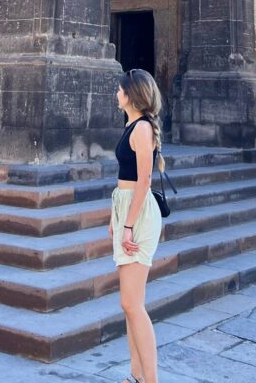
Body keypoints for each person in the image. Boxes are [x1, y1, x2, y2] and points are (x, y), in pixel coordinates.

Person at [110, 67, 165, 383]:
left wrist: (128, 224)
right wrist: (115, 219)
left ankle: (150, 380)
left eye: (120, 90)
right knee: (130, 305)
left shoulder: (142, 128)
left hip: (139, 215)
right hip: (127, 210)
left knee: (132, 303)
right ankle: (135, 376)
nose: (116, 94)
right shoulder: (132, 125)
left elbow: (144, 180)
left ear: (131, 95)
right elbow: (125, 178)